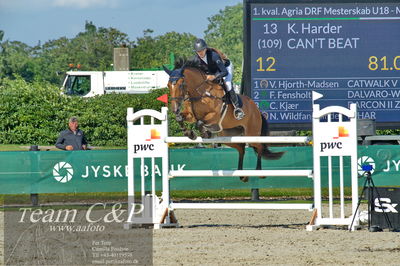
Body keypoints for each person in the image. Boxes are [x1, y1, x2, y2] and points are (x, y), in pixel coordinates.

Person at [192, 38, 244, 120]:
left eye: (202, 50)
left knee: (227, 84)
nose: (200, 53)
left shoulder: (214, 56)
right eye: (198, 51)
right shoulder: (196, 60)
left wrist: (215, 76)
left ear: (205, 49)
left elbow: (224, 72)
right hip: (213, 71)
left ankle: (237, 108)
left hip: (225, 68)